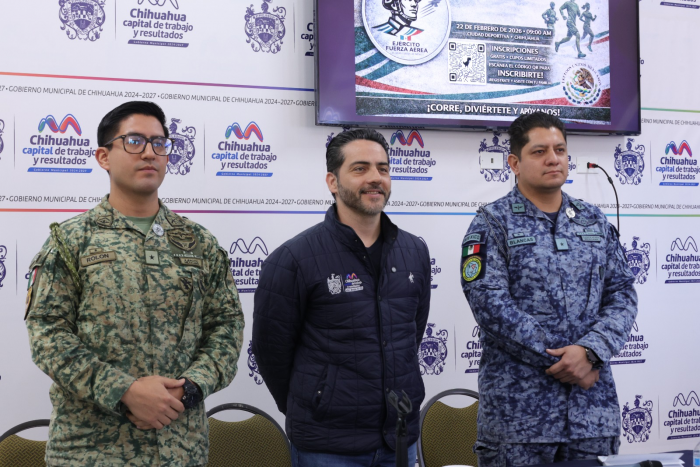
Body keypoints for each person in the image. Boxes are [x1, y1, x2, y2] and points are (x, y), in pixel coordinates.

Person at [25, 101, 245, 467]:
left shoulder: (198, 243)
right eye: (134, 141)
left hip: (180, 448)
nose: (149, 153)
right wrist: (124, 391)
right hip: (91, 451)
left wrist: (188, 390)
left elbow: (227, 326)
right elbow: (48, 335)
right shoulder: (71, 240)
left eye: (159, 143)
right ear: (104, 157)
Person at [460, 112, 637, 467]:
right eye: (539, 151)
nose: (553, 159)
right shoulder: (492, 223)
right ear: (514, 163)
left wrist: (590, 351)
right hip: (519, 422)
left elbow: (622, 293)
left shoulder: (593, 219)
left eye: (560, 150)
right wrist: (566, 360)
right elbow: (490, 305)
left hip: (592, 417)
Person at [252, 128, 431, 467]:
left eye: (383, 168)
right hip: (327, 445)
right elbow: (271, 351)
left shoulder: (414, 251)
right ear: (332, 182)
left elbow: (412, 334)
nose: (375, 177)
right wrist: (316, 402)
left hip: (399, 437)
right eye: (360, 168)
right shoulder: (293, 258)